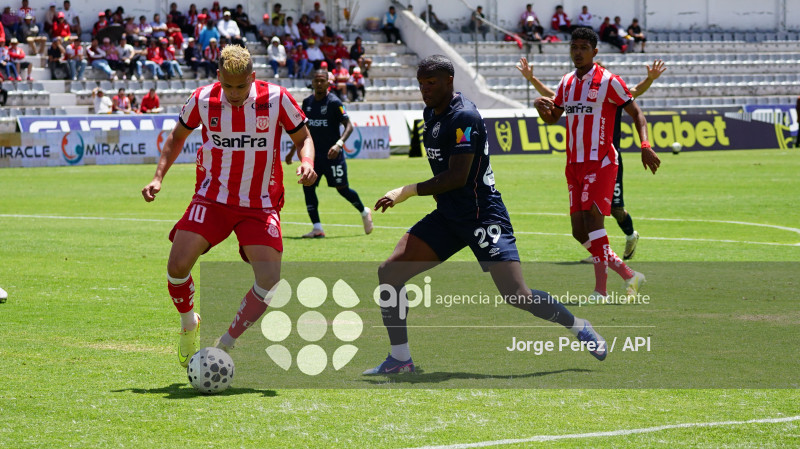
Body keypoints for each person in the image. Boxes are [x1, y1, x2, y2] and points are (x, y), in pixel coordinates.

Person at [363, 54, 608, 375]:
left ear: (450, 81)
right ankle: (400, 359)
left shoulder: (465, 117)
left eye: (431, 83)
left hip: (483, 216)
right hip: (449, 214)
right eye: (421, 83)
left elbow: (457, 177)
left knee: (517, 295)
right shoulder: (431, 113)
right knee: (389, 274)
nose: (425, 89)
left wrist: (405, 191)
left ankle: (578, 326)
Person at [141, 44, 317, 365]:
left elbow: (303, 137)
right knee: (177, 267)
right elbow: (176, 137)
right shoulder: (202, 99)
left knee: (268, 279)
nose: (234, 93)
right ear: (218, 76)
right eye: (228, 86)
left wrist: (307, 161)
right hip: (212, 198)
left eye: (241, 86)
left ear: (253, 77)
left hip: (259, 204)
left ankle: (226, 342)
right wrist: (158, 178)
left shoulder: (276, 98)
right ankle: (188, 323)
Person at [533, 28, 658, 301]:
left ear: (595, 52)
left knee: (594, 221)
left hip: (600, 162)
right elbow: (553, 117)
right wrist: (541, 109)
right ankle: (629, 274)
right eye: (574, 47)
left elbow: (636, 113)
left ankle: (600, 291)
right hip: (573, 164)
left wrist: (645, 145)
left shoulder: (609, 81)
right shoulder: (566, 82)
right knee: (579, 231)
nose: (577, 52)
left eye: (583, 48)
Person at [517, 56, 667, 261]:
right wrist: (531, 79)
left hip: (607, 159)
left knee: (616, 209)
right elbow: (553, 96)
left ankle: (630, 235)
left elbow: (636, 93)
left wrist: (650, 79)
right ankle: (600, 252)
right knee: (589, 211)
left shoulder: (612, 91)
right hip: (584, 159)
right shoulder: (577, 93)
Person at [285, 69, 373, 238]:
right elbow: (303, 130)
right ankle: (317, 228)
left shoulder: (334, 102)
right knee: (308, 187)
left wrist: (339, 144)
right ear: (312, 82)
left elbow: (349, 125)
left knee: (342, 189)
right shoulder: (307, 103)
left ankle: (363, 211)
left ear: (328, 83)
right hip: (314, 158)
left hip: (333, 156)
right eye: (316, 80)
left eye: (322, 80)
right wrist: (292, 151)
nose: (319, 83)